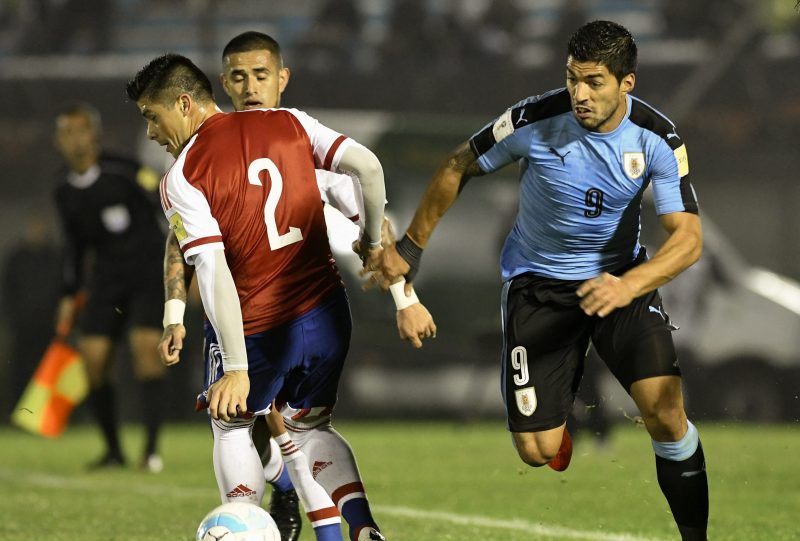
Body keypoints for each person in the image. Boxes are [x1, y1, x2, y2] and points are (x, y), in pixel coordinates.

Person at [372, 20, 709, 541]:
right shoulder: (534, 117)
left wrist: (628, 285)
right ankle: (557, 417)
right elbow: (458, 163)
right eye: (573, 78)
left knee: (666, 413)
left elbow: (687, 239)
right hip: (538, 286)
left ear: (627, 83)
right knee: (538, 451)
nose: (579, 93)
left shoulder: (658, 137)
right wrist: (411, 247)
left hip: (619, 282)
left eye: (594, 81)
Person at [156, 31, 434, 541]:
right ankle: (355, 525)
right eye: (239, 77)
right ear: (223, 84)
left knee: (239, 424)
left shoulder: (196, 162)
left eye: (261, 75)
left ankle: (252, 518)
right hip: (322, 314)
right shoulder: (297, 130)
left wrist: (403, 296)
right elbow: (369, 191)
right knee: (302, 429)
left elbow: (197, 251)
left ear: (282, 78)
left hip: (252, 323)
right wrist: (175, 310)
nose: (251, 87)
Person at [52, 103, 167, 472]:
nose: (75, 138)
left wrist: (184, 261)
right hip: (106, 278)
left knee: (146, 351)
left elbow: (165, 207)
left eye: (81, 129)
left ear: (96, 135)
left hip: (148, 272)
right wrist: (70, 294)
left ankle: (150, 450)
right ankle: (113, 451)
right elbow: (74, 246)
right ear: (59, 141)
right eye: (67, 132)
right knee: (93, 357)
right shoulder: (64, 191)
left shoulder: (125, 170)